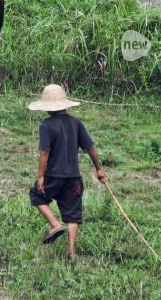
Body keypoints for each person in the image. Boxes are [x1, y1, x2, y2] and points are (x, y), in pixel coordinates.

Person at [28, 84, 107, 259]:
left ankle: (55, 224)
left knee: (36, 195)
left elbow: (44, 152)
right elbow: (90, 148)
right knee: (73, 214)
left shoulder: (46, 125)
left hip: (53, 176)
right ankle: (72, 252)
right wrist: (99, 169)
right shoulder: (76, 123)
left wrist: (41, 176)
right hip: (73, 179)